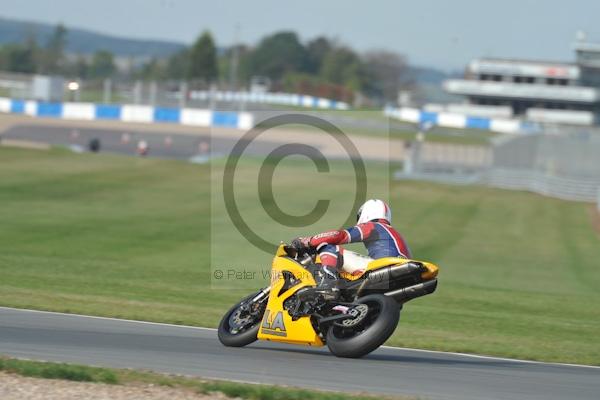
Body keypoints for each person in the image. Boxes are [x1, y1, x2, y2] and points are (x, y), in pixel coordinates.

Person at [293, 199, 411, 294]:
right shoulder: (396, 234)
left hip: (381, 267)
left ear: (365, 213)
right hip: (401, 274)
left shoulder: (372, 226)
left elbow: (339, 235)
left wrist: (308, 241)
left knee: (328, 247)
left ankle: (328, 284)